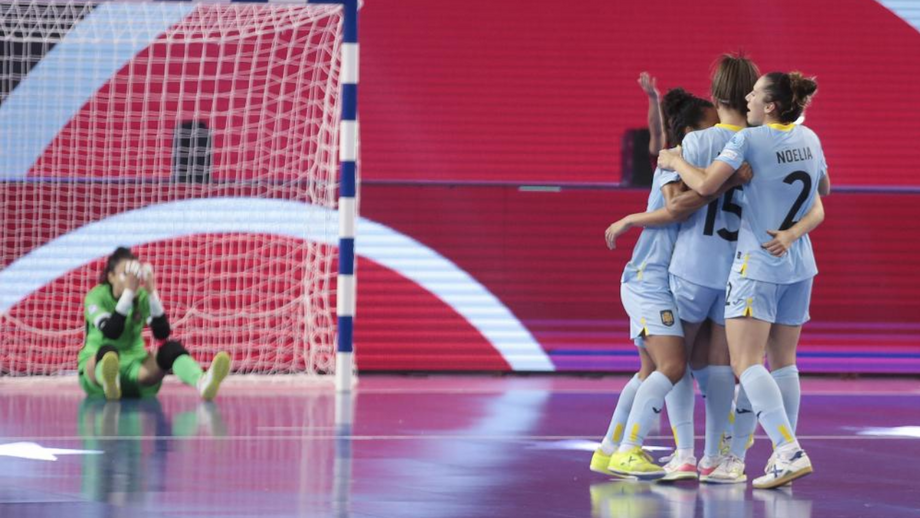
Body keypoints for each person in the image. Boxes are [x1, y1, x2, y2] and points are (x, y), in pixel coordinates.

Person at [658, 70, 829, 489]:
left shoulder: (749, 140)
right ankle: (775, 456)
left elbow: (704, 185)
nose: (748, 99)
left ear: (770, 105)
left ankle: (786, 449)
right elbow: (821, 193)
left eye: (756, 94)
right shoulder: (810, 138)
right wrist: (791, 232)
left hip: (757, 264)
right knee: (784, 363)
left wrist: (674, 160)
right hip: (798, 263)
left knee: (745, 362)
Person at [591, 87, 722, 480]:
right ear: (690, 133)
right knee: (674, 365)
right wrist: (630, 219)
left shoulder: (694, 166)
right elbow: (675, 210)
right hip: (649, 281)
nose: (719, 131)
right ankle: (629, 450)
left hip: (653, 280)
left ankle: (607, 450)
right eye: (712, 125)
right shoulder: (674, 161)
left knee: (650, 372)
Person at [78, 247, 231, 401]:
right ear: (111, 277)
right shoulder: (96, 297)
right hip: (98, 372)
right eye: (126, 274)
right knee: (107, 353)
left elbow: (162, 334)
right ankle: (110, 382)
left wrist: (152, 292)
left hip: (135, 368)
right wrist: (128, 294)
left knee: (170, 348)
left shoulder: (141, 297)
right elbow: (112, 331)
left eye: (134, 274)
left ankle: (202, 382)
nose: (132, 280)